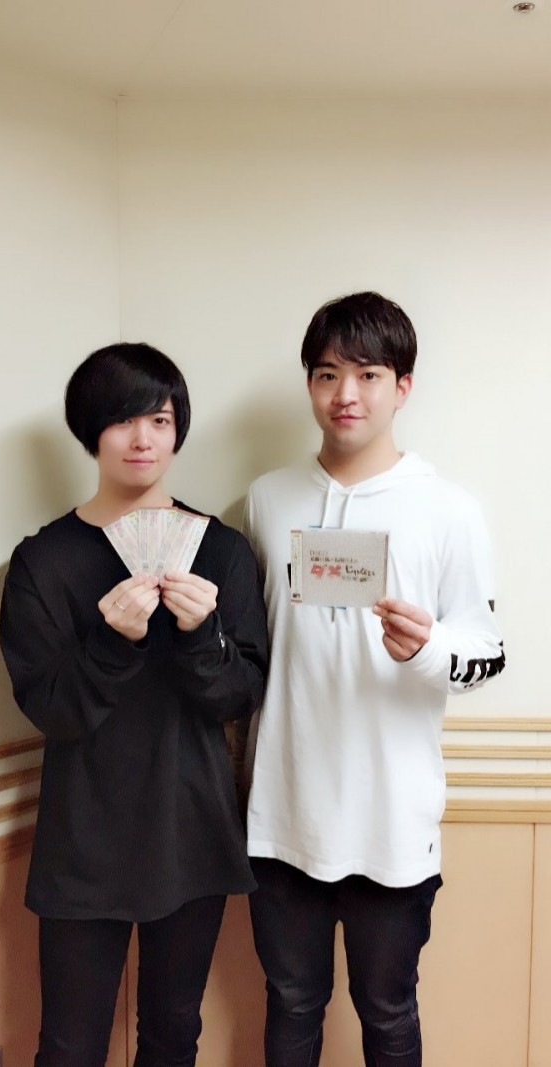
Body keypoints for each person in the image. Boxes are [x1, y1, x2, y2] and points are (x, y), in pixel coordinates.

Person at [241, 292, 505, 1067]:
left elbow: (487, 650)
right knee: (290, 1005)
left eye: (368, 374)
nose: (346, 394)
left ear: (403, 386)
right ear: (310, 384)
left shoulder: (450, 509)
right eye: (327, 374)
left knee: (388, 1013)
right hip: (281, 813)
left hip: (393, 818)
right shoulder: (267, 497)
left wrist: (426, 648)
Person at [0, 342, 268, 1067]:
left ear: (178, 430)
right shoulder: (43, 560)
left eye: (160, 419)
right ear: (91, 431)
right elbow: (53, 709)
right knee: (69, 1045)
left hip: (192, 829)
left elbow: (238, 696)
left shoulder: (221, 551)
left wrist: (200, 633)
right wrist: (112, 641)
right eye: (122, 420)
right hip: (82, 836)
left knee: (174, 1035)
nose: (143, 438)